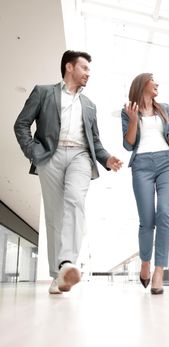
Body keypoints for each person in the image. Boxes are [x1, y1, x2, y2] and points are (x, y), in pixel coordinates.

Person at [14, 50, 122, 294]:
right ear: (69, 67)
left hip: (80, 156)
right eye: (84, 68)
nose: (88, 73)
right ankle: (57, 275)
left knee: (74, 202)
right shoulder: (43, 92)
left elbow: (95, 141)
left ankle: (66, 263)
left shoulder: (90, 105)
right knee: (54, 214)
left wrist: (106, 158)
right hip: (49, 156)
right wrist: (33, 152)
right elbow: (21, 124)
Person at [121, 73, 169, 294]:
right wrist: (134, 121)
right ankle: (145, 261)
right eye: (153, 80)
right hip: (142, 165)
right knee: (147, 220)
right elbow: (128, 145)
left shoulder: (165, 108)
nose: (157, 83)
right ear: (142, 84)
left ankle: (159, 271)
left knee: (164, 213)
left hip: (167, 162)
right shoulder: (128, 110)